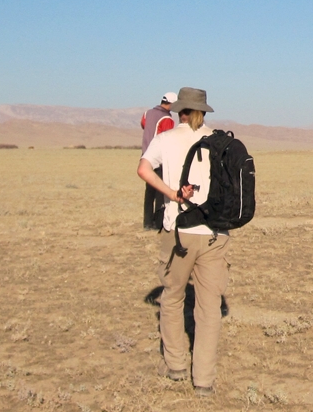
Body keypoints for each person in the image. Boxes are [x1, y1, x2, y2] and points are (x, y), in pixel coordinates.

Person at [136, 87, 228, 397]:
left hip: (177, 232)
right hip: (215, 234)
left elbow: (143, 169)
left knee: (172, 297)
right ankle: (203, 380)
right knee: (209, 308)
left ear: (180, 111)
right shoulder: (220, 141)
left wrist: (172, 193)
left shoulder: (166, 139)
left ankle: (176, 366)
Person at [140, 92, 178, 230]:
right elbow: (166, 138)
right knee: (160, 192)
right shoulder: (167, 119)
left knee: (149, 192)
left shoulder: (147, 113)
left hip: (145, 156)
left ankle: (147, 223)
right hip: (159, 159)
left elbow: (144, 125)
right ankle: (158, 223)